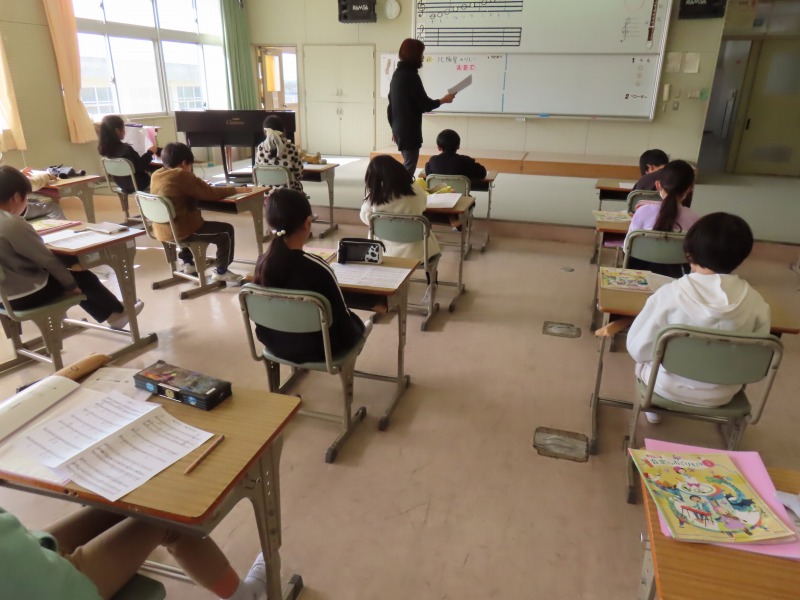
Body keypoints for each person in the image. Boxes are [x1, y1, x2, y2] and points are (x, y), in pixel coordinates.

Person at [626, 212, 770, 424]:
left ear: (689, 253)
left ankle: (653, 408)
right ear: (742, 257)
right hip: (723, 394)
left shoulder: (669, 294)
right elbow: (756, 357)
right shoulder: (756, 302)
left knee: (643, 361)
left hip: (665, 387)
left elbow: (638, 348)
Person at [0, 505, 266, 600]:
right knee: (168, 519)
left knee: (124, 503)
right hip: (42, 587)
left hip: (18, 552)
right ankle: (244, 596)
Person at [0, 165, 141, 329]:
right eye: (26, 198)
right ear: (16, 197)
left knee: (68, 277)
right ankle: (118, 313)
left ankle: (113, 313)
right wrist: (71, 286)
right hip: (23, 296)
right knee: (81, 277)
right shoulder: (12, 223)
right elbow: (47, 260)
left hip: (3, 297)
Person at [252, 188, 365, 364]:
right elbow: (342, 320)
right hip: (322, 350)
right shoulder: (318, 268)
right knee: (356, 323)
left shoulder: (261, 263)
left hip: (276, 344)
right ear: (308, 223)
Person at [149, 142, 248, 282]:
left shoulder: (156, 175)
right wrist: (235, 189)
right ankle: (221, 271)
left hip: (162, 230)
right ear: (184, 163)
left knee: (182, 216)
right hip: (181, 231)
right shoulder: (181, 175)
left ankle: (188, 263)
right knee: (226, 231)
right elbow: (210, 193)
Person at [388, 38, 456, 175]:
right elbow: (424, 104)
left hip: (400, 129)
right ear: (414, 55)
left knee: (408, 162)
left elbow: (391, 105)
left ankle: (401, 186)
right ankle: (401, 187)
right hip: (409, 131)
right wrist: (443, 100)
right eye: (421, 54)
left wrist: (394, 128)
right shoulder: (411, 76)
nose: (423, 57)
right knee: (409, 165)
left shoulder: (397, 74)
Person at [625, 159, 700, 278]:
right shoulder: (695, 219)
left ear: (658, 185)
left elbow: (627, 247)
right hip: (675, 279)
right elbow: (694, 257)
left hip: (638, 277)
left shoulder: (642, 211)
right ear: (690, 189)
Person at [360, 155, 440, 262]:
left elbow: (365, 218)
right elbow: (423, 206)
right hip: (419, 253)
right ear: (399, 169)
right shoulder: (416, 189)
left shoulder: (375, 197)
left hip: (384, 253)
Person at [97, 115, 156, 194]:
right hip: (139, 183)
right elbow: (139, 167)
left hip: (122, 184)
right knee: (158, 175)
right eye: (123, 129)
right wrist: (149, 153)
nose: (124, 132)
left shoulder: (106, 150)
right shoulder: (125, 149)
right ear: (117, 131)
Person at [254, 115, 303, 193]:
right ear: (283, 130)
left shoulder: (260, 148)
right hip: (289, 194)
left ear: (265, 131)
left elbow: (257, 172)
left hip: (267, 195)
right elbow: (299, 174)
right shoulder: (291, 148)